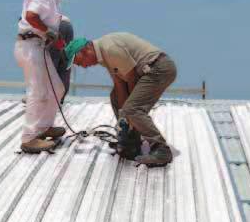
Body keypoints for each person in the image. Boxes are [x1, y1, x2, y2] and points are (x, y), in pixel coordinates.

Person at [64, 33, 177, 166]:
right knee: (116, 98)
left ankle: (161, 149)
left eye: (79, 62)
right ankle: (130, 143)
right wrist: (123, 118)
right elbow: (120, 85)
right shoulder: (104, 56)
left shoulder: (110, 49)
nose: (82, 66)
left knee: (133, 108)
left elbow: (132, 81)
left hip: (158, 69)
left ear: (84, 51)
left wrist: (128, 115)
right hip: (147, 71)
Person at [15, 0, 81, 153]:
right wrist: (48, 32)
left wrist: (54, 36)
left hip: (37, 45)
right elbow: (31, 16)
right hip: (30, 46)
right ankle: (29, 138)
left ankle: (43, 128)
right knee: (37, 92)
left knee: (57, 88)